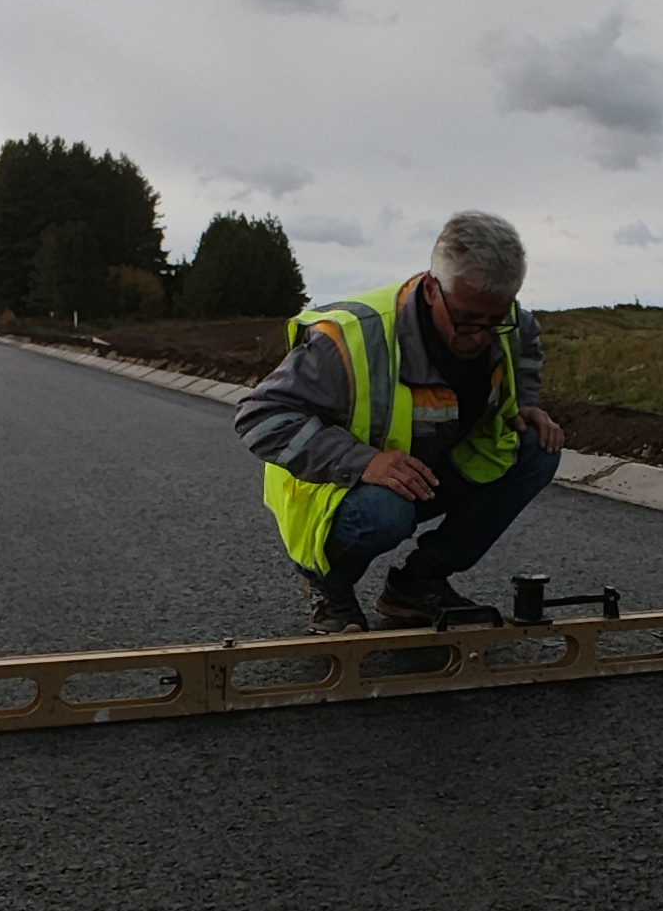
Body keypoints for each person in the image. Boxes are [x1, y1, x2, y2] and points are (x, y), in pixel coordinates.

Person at [233, 211, 566, 632]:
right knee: (385, 511)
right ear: (431, 289)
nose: (481, 336)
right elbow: (259, 417)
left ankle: (417, 585)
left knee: (536, 448)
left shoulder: (506, 322)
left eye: (495, 321)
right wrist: (362, 462)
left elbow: (525, 344)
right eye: (466, 321)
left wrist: (526, 403)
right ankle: (327, 585)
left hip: (426, 468)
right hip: (337, 489)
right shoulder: (352, 337)